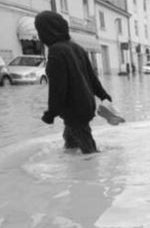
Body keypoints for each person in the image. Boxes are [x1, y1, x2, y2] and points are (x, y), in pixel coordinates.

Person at [35, 10, 125, 154]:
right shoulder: (77, 48)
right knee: (71, 142)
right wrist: (104, 95)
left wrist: (51, 113)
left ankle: (95, 166)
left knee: (89, 151)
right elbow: (92, 77)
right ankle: (73, 159)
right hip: (86, 105)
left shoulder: (56, 52)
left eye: (39, 31)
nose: (39, 36)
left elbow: (58, 89)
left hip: (74, 110)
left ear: (46, 32)